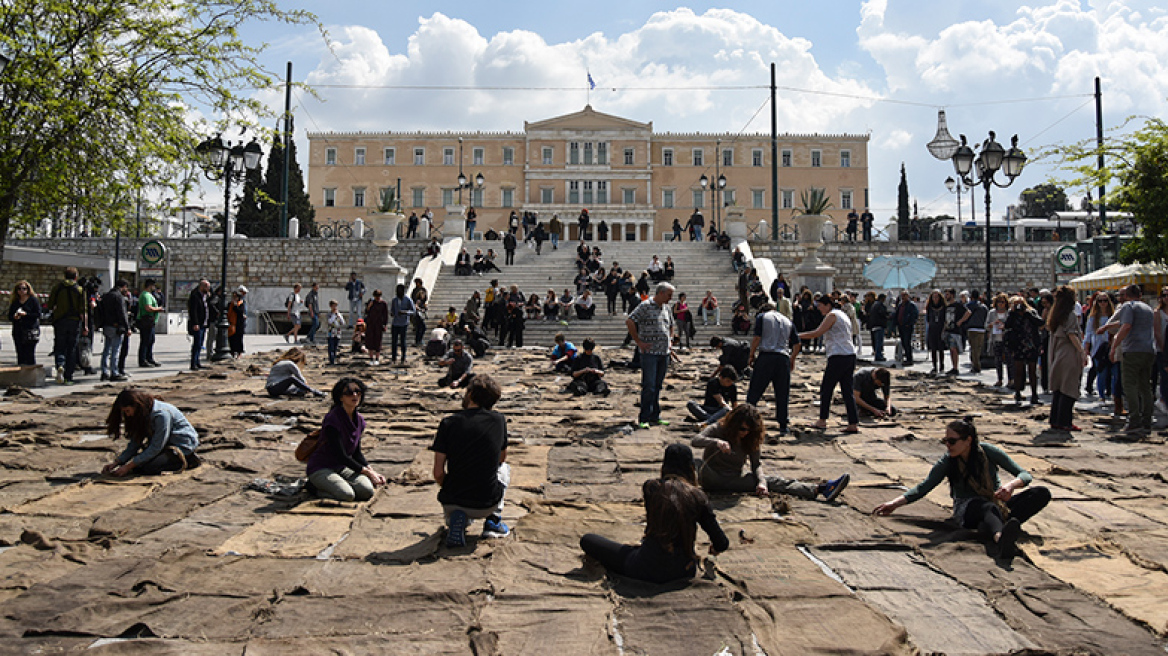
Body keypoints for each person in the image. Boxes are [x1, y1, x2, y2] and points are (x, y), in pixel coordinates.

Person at [873, 417, 1051, 560]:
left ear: (968, 441)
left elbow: (1024, 475)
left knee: (1041, 493)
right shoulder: (948, 461)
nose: (948, 446)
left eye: (952, 441)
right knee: (986, 508)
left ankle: (993, 525)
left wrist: (1010, 486)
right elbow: (924, 487)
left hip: (996, 502)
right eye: (945, 441)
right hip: (968, 509)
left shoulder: (987, 452)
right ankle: (1001, 539)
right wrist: (894, 504)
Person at [580, 443, 728, 583]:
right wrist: (714, 549)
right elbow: (722, 542)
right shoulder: (698, 497)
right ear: (691, 468)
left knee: (588, 540)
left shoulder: (651, 488)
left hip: (644, 568)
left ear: (664, 466)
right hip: (683, 571)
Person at [692, 405, 850, 500]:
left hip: (734, 478)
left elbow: (756, 464)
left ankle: (820, 489)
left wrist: (761, 482)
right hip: (711, 475)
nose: (745, 433)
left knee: (773, 481)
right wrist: (716, 442)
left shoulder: (751, 438)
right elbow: (695, 440)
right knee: (690, 459)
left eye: (749, 430)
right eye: (742, 429)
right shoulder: (718, 429)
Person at [431, 374, 511, 547]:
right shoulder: (498, 420)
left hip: (452, 500)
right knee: (504, 469)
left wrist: (450, 486)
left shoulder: (448, 423)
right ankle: (493, 521)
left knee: (458, 493)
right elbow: (501, 458)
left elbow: (437, 473)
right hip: (486, 502)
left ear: (471, 395)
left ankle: (458, 519)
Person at [307, 377, 385, 502]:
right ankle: (312, 487)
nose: (354, 395)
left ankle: (335, 484)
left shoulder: (359, 420)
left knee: (367, 491)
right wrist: (368, 473)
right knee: (347, 495)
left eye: (357, 392)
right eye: (349, 393)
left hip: (342, 467)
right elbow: (341, 455)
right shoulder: (333, 420)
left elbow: (356, 452)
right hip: (321, 467)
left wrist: (372, 471)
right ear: (340, 397)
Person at [103, 389, 201, 476]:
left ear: (136, 405)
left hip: (181, 445)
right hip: (164, 445)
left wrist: (128, 467)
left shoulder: (161, 414)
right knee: (138, 465)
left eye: (128, 411)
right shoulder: (141, 413)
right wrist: (117, 462)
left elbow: (157, 446)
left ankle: (188, 459)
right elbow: (135, 442)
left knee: (146, 468)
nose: (127, 415)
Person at [799, 295, 860, 433]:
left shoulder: (832, 316)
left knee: (827, 388)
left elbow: (817, 333)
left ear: (827, 305)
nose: (819, 308)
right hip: (849, 354)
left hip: (838, 356)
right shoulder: (842, 315)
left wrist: (797, 335)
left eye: (820, 305)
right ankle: (853, 422)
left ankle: (822, 420)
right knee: (847, 390)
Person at [1107, 284, 1156, 435]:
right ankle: (1147, 420)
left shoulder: (1128, 306)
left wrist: (1115, 345)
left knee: (1129, 385)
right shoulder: (1148, 309)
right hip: (1148, 350)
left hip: (1132, 350)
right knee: (1145, 386)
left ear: (1126, 295)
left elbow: (1126, 325)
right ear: (1140, 294)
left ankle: (1134, 420)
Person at [746, 303, 800, 437]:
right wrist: (792, 358)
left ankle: (746, 420)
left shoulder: (762, 317)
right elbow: (797, 343)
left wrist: (751, 355)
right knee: (782, 393)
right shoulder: (787, 320)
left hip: (766, 356)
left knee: (755, 391)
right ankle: (783, 425)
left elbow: (757, 337)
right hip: (783, 358)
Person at [627, 282, 675, 429]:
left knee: (658, 386)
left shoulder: (666, 308)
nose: (670, 298)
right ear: (661, 293)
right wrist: (638, 342)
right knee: (649, 386)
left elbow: (671, 325)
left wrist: (670, 340)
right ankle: (644, 417)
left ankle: (655, 415)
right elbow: (630, 321)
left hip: (664, 353)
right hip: (649, 353)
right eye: (669, 295)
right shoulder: (645, 305)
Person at [1047, 286, 1088, 432]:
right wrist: (1082, 351)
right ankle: (1065, 421)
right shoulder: (1069, 315)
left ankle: (1055, 420)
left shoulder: (1055, 315)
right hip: (1068, 353)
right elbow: (1072, 335)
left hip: (1058, 353)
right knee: (1069, 388)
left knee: (1059, 389)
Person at [47, 266, 88, 384]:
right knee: (71, 349)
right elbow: (83, 310)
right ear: (76, 277)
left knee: (59, 346)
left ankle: (60, 364)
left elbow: (50, 305)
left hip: (60, 321)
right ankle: (68, 377)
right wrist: (85, 326)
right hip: (74, 322)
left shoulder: (57, 288)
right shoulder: (80, 290)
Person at [1004, 295, 1043, 405]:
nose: (1018, 307)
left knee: (1032, 371)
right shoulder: (1012, 315)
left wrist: (1028, 314)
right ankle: (1017, 393)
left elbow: (1040, 322)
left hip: (1031, 345)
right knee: (1018, 370)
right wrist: (1013, 313)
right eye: (1016, 305)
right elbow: (1007, 325)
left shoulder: (1031, 312)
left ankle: (1034, 394)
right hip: (1018, 345)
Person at [98, 280, 130, 381]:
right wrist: (127, 327)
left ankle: (104, 371)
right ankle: (114, 372)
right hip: (116, 326)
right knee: (115, 351)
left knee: (106, 350)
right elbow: (122, 313)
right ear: (123, 287)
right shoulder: (118, 297)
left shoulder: (106, 296)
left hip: (106, 325)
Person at [8, 280, 41, 367]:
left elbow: (38, 314)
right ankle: (22, 375)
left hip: (30, 330)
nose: (21, 291)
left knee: (29, 353)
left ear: (28, 290)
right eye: (19, 289)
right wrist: (15, 317)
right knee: (20, 353)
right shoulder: (15, 302)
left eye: (24, 289)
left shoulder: (33, 300)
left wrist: (26, 314)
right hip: (18, 330)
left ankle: (31, 375)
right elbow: (9, 316)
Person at [942, 288, 970, 375]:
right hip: (948, 329)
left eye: (948, 294)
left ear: (952, 295)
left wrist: (960, 321)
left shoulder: (958, 305)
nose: (946, 296)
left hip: (955, 330)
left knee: (954, 349)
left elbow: (968, 312)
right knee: (951, 349)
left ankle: (955, 368)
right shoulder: (947, 306)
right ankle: (953, 367)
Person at [987, 293, 1011, 387]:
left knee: (1009, 360)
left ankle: (1010, 379)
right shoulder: (992, 313)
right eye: (998, 302)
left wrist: (1004, 326)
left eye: (1002, 302)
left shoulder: (1009, 313)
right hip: (996, 338)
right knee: (998, 360)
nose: (1000, 304)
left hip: (1006, 338)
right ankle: (999, 379)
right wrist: (992, 324)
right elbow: (986, 325)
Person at [186, 279, 211, 371]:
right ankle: (193, 363)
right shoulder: (195, 296)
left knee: (200, 344)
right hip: (198, 324)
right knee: (196, 344)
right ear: (202, 286)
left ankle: (197, 362)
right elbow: (193, 311)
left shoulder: (205, 296)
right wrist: (195, 323)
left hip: (204, 323)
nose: (209, 289)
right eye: (207, 287)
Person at [389, 283, 415, 365]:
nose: (398, 292)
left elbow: (413, 311)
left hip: (404, 323)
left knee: (403, 342)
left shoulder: (408, 300)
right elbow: (392, 310)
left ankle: (403, 358)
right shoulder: (394, 300)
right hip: (395, 323)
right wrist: (392, 313)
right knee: (394, 342)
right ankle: (393, 358)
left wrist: (405, 312)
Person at [924, 290, 946, 375]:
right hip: (932, 328)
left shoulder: (943, 307)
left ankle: (942, 366)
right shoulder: (929, 306)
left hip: (941, 328)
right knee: (933, 348)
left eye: (937, 297)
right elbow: (928, 318)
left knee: (941, 349)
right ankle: (934, 366)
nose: (935, 299)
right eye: (934, 297)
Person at [365, 289, 389, 366]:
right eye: (376, 296)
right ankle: (371, 358)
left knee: (378, 342)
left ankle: (377, 358)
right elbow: (366, 312)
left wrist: (385, 325)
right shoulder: (371, 302)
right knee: (370, 341)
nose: (377, 298)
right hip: (371, 324)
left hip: (379, 325)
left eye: (378, 296)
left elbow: (385, 315)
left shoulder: (383, 304)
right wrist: (369, 306)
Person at [965, 290, 988, 374]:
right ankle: (976, 364)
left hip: (972, 329)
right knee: (978, 348)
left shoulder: (969, 305)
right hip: (982, 329)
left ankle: (976, 365)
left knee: (973, 348)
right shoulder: (984, 306)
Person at [894, 290, 919, 367]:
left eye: (904, 295)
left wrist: (909, 323)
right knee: (904, 343)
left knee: (907, 342)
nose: (903, 297)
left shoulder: (911, 305)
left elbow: (915, 315)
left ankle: (909, 359)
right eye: (902, 296)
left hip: (907, 327)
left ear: (908, 296)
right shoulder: (900, 305)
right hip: (901, 326)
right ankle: (907, 357)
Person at [867, 293, 889, 362]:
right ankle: (878, 356)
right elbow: (883, 314)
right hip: (879, 325)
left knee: (877, 342)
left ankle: (878, 354)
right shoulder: (880, 305)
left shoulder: (874, 305)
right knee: (879, 342)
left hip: (874, 325)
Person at [228, 286, 248, 358]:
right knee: (232, 339)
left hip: (239, 324)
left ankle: (239, 352)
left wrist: (235, 306)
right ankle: (232, 352)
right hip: (232, 323)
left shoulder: (241, 304)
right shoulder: (230, 304)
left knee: (239, 339)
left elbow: (240, 312)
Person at [326, 299, 346, 365]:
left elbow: (343, 323)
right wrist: (334, 315)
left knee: (335, 347)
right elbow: (329, 322)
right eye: (333, 306)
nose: (335, 308)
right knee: (331, 347)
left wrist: (339, 316)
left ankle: (334, 359)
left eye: (336, 306)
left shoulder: (339, 314)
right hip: (331, 333)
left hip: (337, 333)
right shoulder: (329, 314)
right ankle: (331, 361)